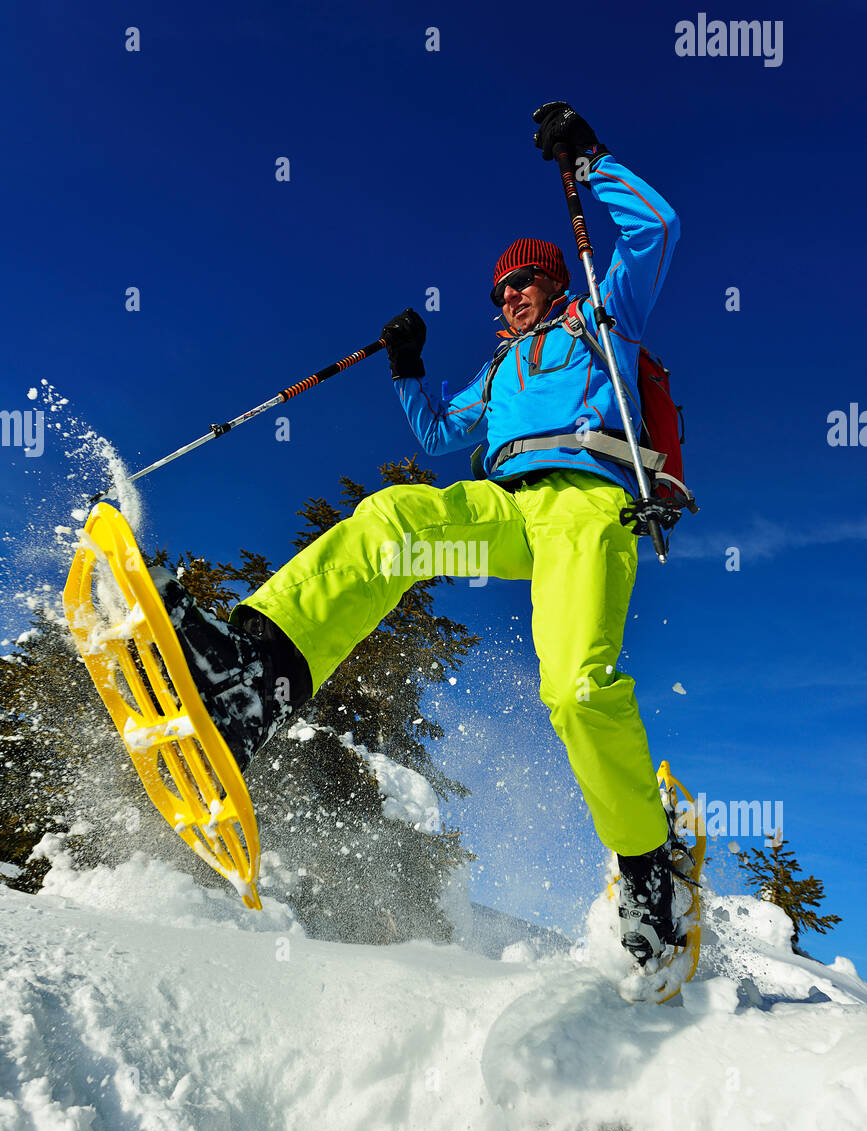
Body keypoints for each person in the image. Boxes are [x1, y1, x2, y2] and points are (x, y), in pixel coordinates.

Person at [156, 102, 683, 971]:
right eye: (500, 291)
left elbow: (656, 227)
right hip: (507, 509)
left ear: (554, 282)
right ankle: (252, 675)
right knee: (394, 518)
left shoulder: (601, 319)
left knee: (577, 689)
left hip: (589, 506)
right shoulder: (500, 369)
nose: (508, 298)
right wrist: (408, 368)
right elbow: (439, 436)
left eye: (522, 284)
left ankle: (645, 865)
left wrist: (587, 161)